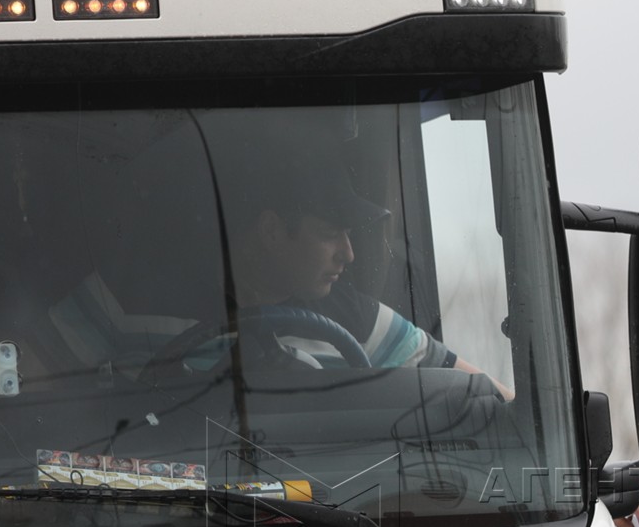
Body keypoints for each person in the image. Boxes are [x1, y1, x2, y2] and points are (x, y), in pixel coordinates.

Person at [42, 136, 509, 394]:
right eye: (330, 233)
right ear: (270, 231)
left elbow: (480, 393)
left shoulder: (358, 318)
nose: (348, 254)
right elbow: (21, 388)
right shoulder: (128, 298)